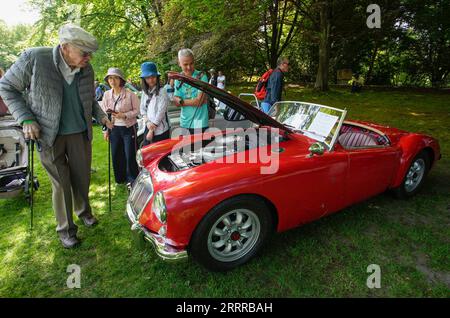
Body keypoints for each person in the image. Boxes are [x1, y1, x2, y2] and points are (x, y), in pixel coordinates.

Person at [0, 23, 113, 249]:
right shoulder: (34, 58)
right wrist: (26, 119)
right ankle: (66, 229)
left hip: (80, 133)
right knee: (61, 184)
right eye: (84, 53)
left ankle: (84, 211)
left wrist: (101, 116)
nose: (89, 58)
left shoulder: (86, 69)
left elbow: (89, 100)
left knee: (82, 178)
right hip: (48, 135)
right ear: (65, 47)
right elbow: (7, 87)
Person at [101, 67, 140, 187]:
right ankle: (120, 178)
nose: (112, 81)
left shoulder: (130, 94)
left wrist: (125, 115)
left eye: (115, 78)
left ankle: (132, 178)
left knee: (129, 154)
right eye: (110, 78)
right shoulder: (106, 95)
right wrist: (106, 129)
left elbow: (137, 111)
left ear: (121, 80)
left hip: (128, 128)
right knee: (116, 153)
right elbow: (104, 113)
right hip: (114, 129)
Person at [173, 48, 209, 134]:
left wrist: (181, 101)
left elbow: (199, 102)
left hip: (199, 122)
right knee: (186, 147)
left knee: (199, 147)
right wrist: (193, 101)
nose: (189, 67)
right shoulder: (178, 79)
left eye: (191, 63)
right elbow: (176, 102)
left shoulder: (201, 76)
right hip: (184, 122)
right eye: (185, 64)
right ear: (179, 63)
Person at [139, 62, 170, 145]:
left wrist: (152, 129)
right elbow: (142, 108)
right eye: (147, 78)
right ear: (144, 79)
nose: (150, 80)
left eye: (153, 77)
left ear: (157, 77)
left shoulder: (162, 91)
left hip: (160, 130)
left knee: (161, 154)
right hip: (148, 126)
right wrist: (147, 122)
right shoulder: (144, 92)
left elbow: (161, 112)